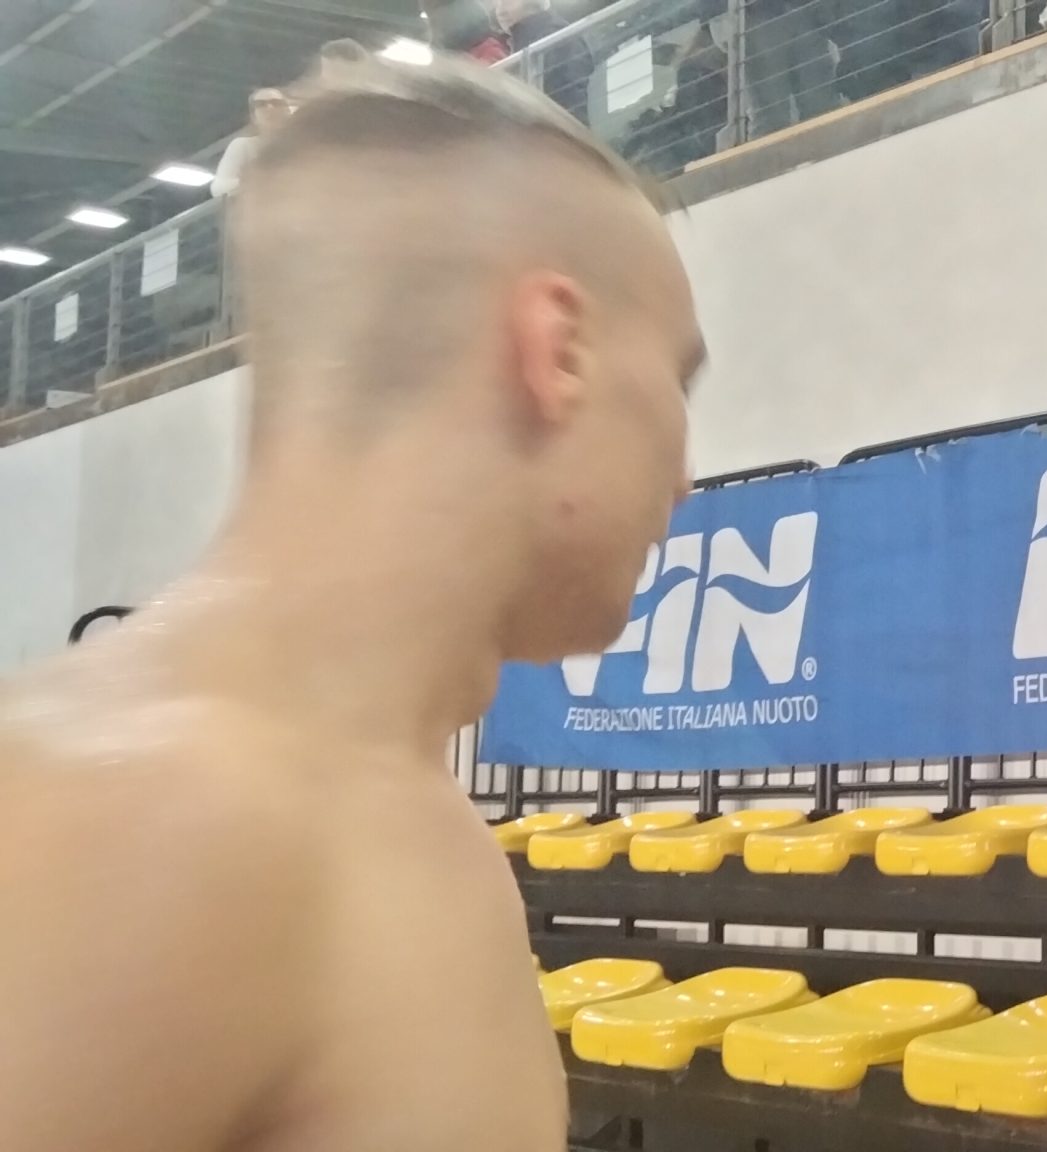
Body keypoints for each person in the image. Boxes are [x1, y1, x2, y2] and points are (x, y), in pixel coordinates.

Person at [0, 51, 701, 1151]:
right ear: (559, 350)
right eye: (678, 378)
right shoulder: (136, 820)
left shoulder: (407, 821)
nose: (687, 475)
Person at [211, 88, 292, 198]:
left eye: (276, 103)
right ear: (254, 117)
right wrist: (256, 182)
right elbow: (219, 187)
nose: (270, 108)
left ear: (288, 111)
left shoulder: (304, 145)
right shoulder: (242, 146)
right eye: (261, 104)